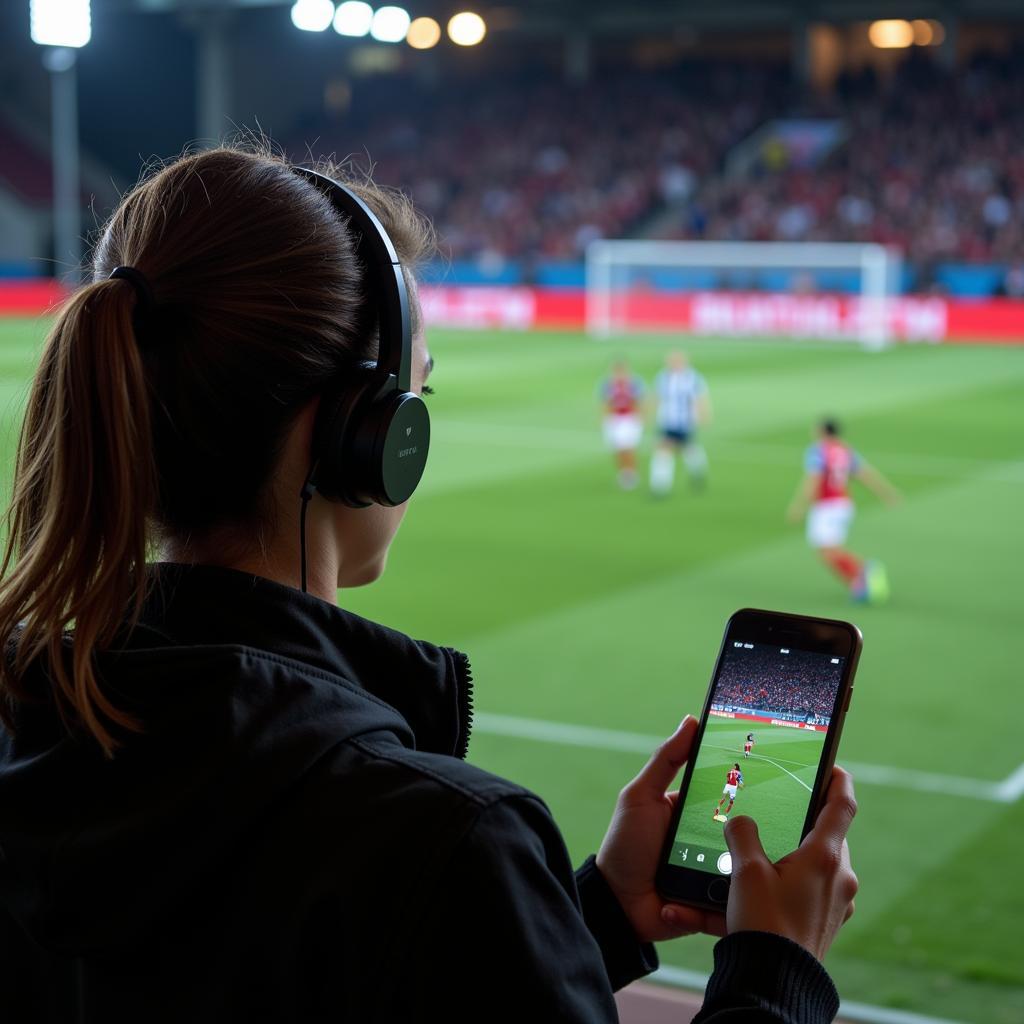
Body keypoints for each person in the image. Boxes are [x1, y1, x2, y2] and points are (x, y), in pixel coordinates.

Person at [0, 147, 859, 1023]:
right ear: (365, 434)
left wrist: (585, 920)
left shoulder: (26, 731)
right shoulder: (439, 839)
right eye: (419, 394)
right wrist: (775, 972)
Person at [786, 418, 901, 603]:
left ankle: (864, 571)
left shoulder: (818, 450)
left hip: (826, 506)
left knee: (827, 550)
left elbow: (813, 479)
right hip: (843, 504)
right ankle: (859, 584)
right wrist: (886, 493)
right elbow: (864, 474)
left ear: (822, 431)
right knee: (827, 549)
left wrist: (799, 504)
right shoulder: (845, 450)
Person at [649, 350, 711, 496]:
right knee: (664, 451)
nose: (673, 363)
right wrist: (650, 413)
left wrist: (703, 415)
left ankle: (697, 470)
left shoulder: (693, 378)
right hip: (667, 420)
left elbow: (700, 398)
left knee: (688, 449)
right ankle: (660, 486)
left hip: (685, 421)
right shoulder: (663, 377)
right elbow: (656, 396)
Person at [599, 359, 645, 489]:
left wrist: (640, 417)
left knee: (629, 447)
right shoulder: (608, 384)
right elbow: (605, 402)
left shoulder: (634, 383)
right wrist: (605, 418)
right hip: (615, 419)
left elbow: (639, 401)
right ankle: (623, 473)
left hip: (629, 419)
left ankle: (632, 473)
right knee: (618, 448)